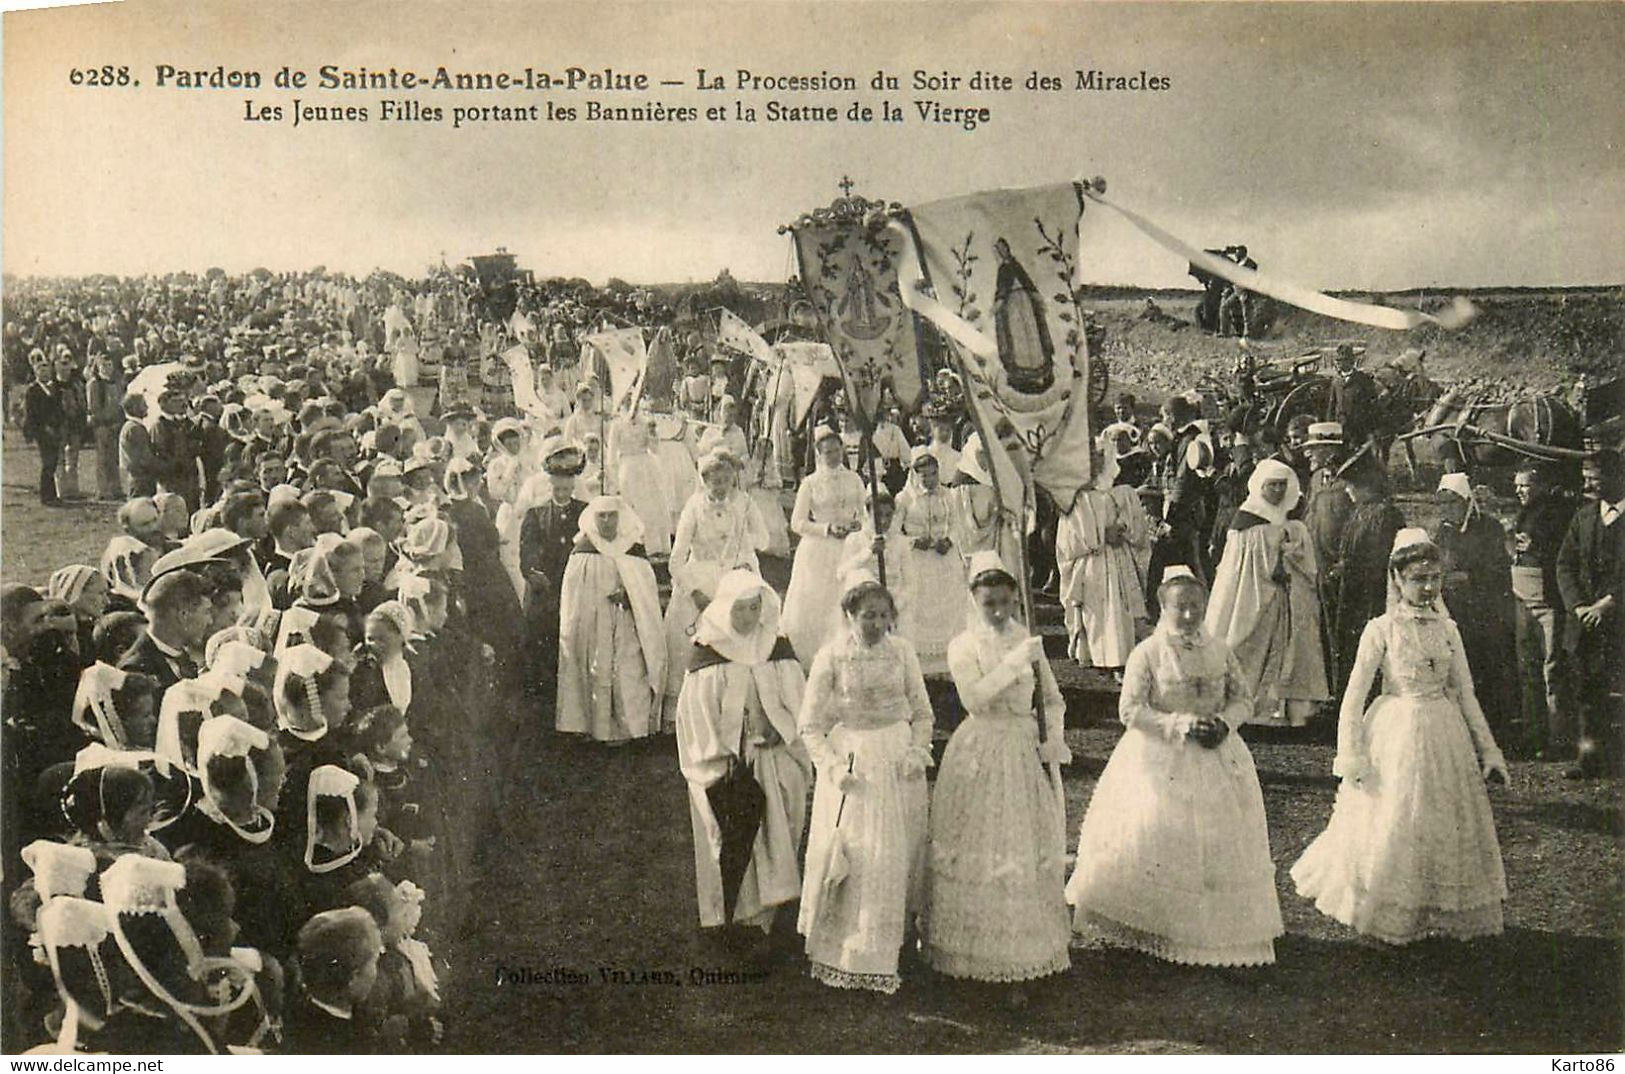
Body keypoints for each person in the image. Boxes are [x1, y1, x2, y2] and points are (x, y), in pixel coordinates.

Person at [1291, 530, 1509, 943]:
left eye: (1434, 577)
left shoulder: (1448, 629)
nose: (1428, 587)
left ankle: (1436, 908)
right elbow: (1353, 698)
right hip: (1396, 731)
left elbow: (1465, 693)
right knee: (1394, 820)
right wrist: (1351, 755)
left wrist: (1490, 750)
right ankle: (1390, 911)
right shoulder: (1380, 629)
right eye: (1418, 578)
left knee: (1441, 819)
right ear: (1396, 579)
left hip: (1444, 734)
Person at [1065, 565, 1284, 966]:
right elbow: (1130, 710)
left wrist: (1224, 723)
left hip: (1216, 754)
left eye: (1196, 606)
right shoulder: (1148, 653)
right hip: (1159, 755)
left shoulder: (1219, 650)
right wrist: (1178, 724)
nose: (1189, 615)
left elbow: (1243, 700)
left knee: (1217, 842)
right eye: (1180, 607)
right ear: (1163, 607)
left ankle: (1213, 930)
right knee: (1157, 835)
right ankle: (1155, 923)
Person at [925, 553, 1071, 986]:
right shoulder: (963, 646)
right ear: (974, 602)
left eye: (1006, 602)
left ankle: (1023, 948)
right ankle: (971, 949)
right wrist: (1013, 664)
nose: (999, 612)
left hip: (1022, 746)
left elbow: (1051, 700)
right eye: (989, 603)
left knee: (1021, 841)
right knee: (981, 841)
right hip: (981, 745)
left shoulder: (1026, 639)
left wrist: (1053, 738)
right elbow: (974, 698)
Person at [797, 576, 933, 994]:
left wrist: (915, 751)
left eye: (882, 615)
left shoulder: (904, 652)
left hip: (896, 760)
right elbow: (810, 726)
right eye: (866, 616)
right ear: (849, 616)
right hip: (853, 763)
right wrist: (833, 767)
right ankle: (847, 950)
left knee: (897, 853)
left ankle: (893, 943)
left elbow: (924, 713)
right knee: (855, 854)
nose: (875, 624)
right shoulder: (832, 657)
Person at [674, 570, 810, 950]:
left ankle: (771, 912)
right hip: (724, 763)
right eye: (741, 608)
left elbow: (799, 706)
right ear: (724, 607)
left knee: (775, 825)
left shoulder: (776, 648)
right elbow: (695, 716)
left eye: (755, 607)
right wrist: (726, 753)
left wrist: (778, 733)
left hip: (771, 753)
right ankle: (732, 916)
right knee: (731, 830)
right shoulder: (708, 653)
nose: (749, 617)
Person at [1203, 458, 1329, 726]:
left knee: (1284, 649)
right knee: (1246, 643)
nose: (1277, 492)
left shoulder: (1286, 521)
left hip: (1281, 599)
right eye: (1272, 486)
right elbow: (1247, 567)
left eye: (1282, 486)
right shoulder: (1247, 522)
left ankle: (1277, 710)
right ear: (1259, 486)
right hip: (1251, 596)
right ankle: (1244, 706)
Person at [663, 449, 769, 720]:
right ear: (705, 480)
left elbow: (764, 540)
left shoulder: (744, 504)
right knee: (694, 642)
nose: (722, 487)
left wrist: (744, 548)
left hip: (734, 577)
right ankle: (690, 711)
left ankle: (736, 709)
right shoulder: (694, 507)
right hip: (702, 578)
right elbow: (676, 559)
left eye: (727, 480)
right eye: (716, 481)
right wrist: (693, 591)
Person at [556, 496, 666, 744]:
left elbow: (645, 591)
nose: (606, 521)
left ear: (621, 517)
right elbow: (574, 597)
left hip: (627, 621)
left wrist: (630, 596)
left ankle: (630, 727)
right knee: (599, 669)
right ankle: (597, 728)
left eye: (611, 516)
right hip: (595, 623)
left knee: (628, 672)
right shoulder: (583, 550)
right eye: (601, 516)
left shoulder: (633, 549)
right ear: (593, 519)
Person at [1432, 473, 1519, 746]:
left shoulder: (1488, 528)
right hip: (1455, 608)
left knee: (1485, 668)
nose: (1447, 509)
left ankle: (1494, 730)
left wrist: (1470, 577)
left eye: (1452, 503)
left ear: (1465, 502)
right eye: (1442, 503)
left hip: (1484, 610)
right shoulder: (1444, 531)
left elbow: (1499, 569)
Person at [1555, 450, 1623, 779]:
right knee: (1586, 692)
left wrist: (1608, 604)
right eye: (1585, 477)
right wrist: (1580, 606)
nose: (1587, 483)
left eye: (1594, 478)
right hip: (1583, 624)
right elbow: (1564, 565)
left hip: (1617, 621)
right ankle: (1589, 760)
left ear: (1616, 477)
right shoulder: (1582, 517)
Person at [1057, 445, 1152, 671]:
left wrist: (1122, 528)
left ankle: (1124, 656)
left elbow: (1137, 525)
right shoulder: (1077, 497)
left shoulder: (1122, 492)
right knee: (1096, 609)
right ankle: (1097, 653)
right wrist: (1099, 536)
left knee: (1122, 606)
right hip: (1092, 561)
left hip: (1118, 557)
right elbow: (1068, 537)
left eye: (1099, 459)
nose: (1094, 464)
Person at [782, 426, 866, 667]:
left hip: (849, 546)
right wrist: (827, 529)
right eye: (827, 452)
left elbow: (866, 511)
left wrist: (857, 525)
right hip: (819, 548)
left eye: (837, 450)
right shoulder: (810, 483)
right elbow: (797, 522)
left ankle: (847, 651)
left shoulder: (854, 479)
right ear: (819, 454)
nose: (833, 456)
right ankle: (814, 655)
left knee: (846, 596)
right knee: (818, 601)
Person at [1509, 464, 1577, 758]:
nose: (1519, 490)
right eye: (1517, 485)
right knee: (1528, 670)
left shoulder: (1556, 512)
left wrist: (1533, 545)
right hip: (1523, 598)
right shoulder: (1523, 512)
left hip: (1547, 601)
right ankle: (1534, 736)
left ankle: (1559, 738)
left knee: (1552, 670)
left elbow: (1559, 553)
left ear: (1539, 485)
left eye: (1524, 485)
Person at [1327, 446, 1405, 698]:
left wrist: (1348, 568)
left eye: (1351, 486)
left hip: (1371, 594)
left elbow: (1378, 559)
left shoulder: (1384, 514)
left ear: (1366, 486)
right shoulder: (1361, 511)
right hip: (1354, 591)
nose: (1348, 491)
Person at [888, 448, 968, 674]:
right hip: (918, 559)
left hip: (944, 556)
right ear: (915, 475)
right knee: (919, 602)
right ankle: (919, 659)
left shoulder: (949, 495)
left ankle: (947, 655)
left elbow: (957, 525)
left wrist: (949, 540)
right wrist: (913, 541)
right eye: (925, 475)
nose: (930, 480)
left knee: (947, 602)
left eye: (934, 474)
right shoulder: (904, 499)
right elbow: (894, 531)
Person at [23, 352, 68, 505]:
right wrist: (41, 428)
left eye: (47, 370)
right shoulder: (33, 390)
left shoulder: (54, 388)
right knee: (47, 462)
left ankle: (52, 494)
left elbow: (60, 408)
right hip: (42, 431)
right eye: (41, 371)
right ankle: (46, 496)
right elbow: (31, 414)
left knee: (54, 461)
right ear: (36, 373)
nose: (45, 373)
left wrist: (60, 424)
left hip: (55, 429)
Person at [1328, 344, 1382, 455]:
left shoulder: (1363, 380)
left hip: (1359, 427)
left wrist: (1373, 428)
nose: (1338, 363)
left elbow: (1373, 404)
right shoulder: (1336, 381)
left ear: (1350, 362)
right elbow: (1332, 405)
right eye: (1337, 360)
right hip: (1340, 426)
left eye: (1342, 360)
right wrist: (1330, 425)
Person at [86, 353, 125, 501]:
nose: (107, 368)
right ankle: (103, 489)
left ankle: (116, 487)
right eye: (104, 365)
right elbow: (93, 407)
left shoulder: (117, 382)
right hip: (102, 425)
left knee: (114, 458)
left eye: (109, 365)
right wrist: (106, 420)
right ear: (98, 366)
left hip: (116, 424)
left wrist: (118, 421)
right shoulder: (95, 384)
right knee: (102, 458)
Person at [119, 393, 159, 498]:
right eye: (143, 404)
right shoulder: (135, 429)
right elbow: (145, 457)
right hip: (142, 478)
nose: (147, 407)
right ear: (134, 408)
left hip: (137, 477)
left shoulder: (130, 426)